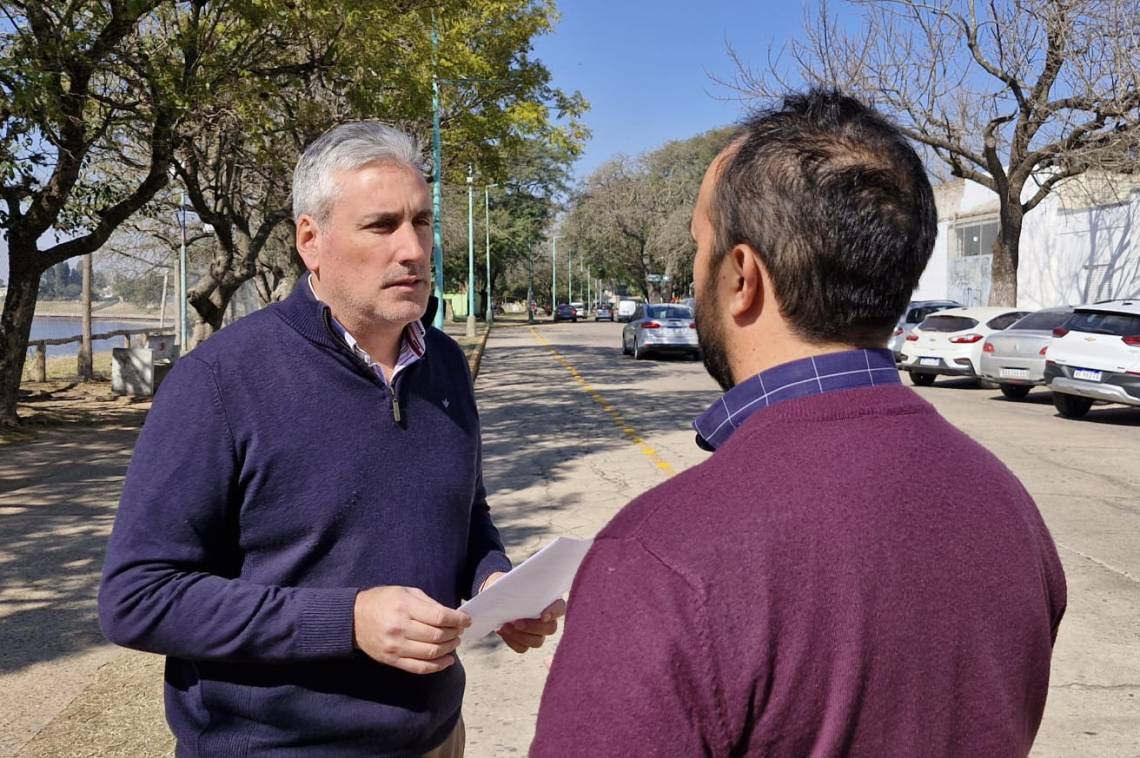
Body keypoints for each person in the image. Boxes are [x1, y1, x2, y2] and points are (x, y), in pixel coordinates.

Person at [531, 90, 1066, 756]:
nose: (692, 274)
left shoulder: (663, 559)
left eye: (699, 249)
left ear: (742, 276)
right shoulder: (1008, 507)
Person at [99, 121, 561, 757]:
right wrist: (347, 621)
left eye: (422, 223)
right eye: (381, 225)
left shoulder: (446, 365)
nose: (413, 249)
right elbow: (137, 597)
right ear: (310, 241)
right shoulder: (218, 381)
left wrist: (494, 585)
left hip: (436, 739)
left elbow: (466, 514)